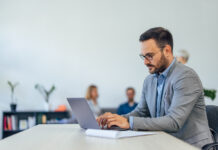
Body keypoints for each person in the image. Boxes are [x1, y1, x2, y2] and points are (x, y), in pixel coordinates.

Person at [97, 27, 213, 148]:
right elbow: (141, 112)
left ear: (167, 50)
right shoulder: (149, 80)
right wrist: (115, 119)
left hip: (191, 146)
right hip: (164, 143)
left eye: (150, 56)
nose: (145, 62)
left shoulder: (186, 77)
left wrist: (129, 122)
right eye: (143, 56)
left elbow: (174, 122)